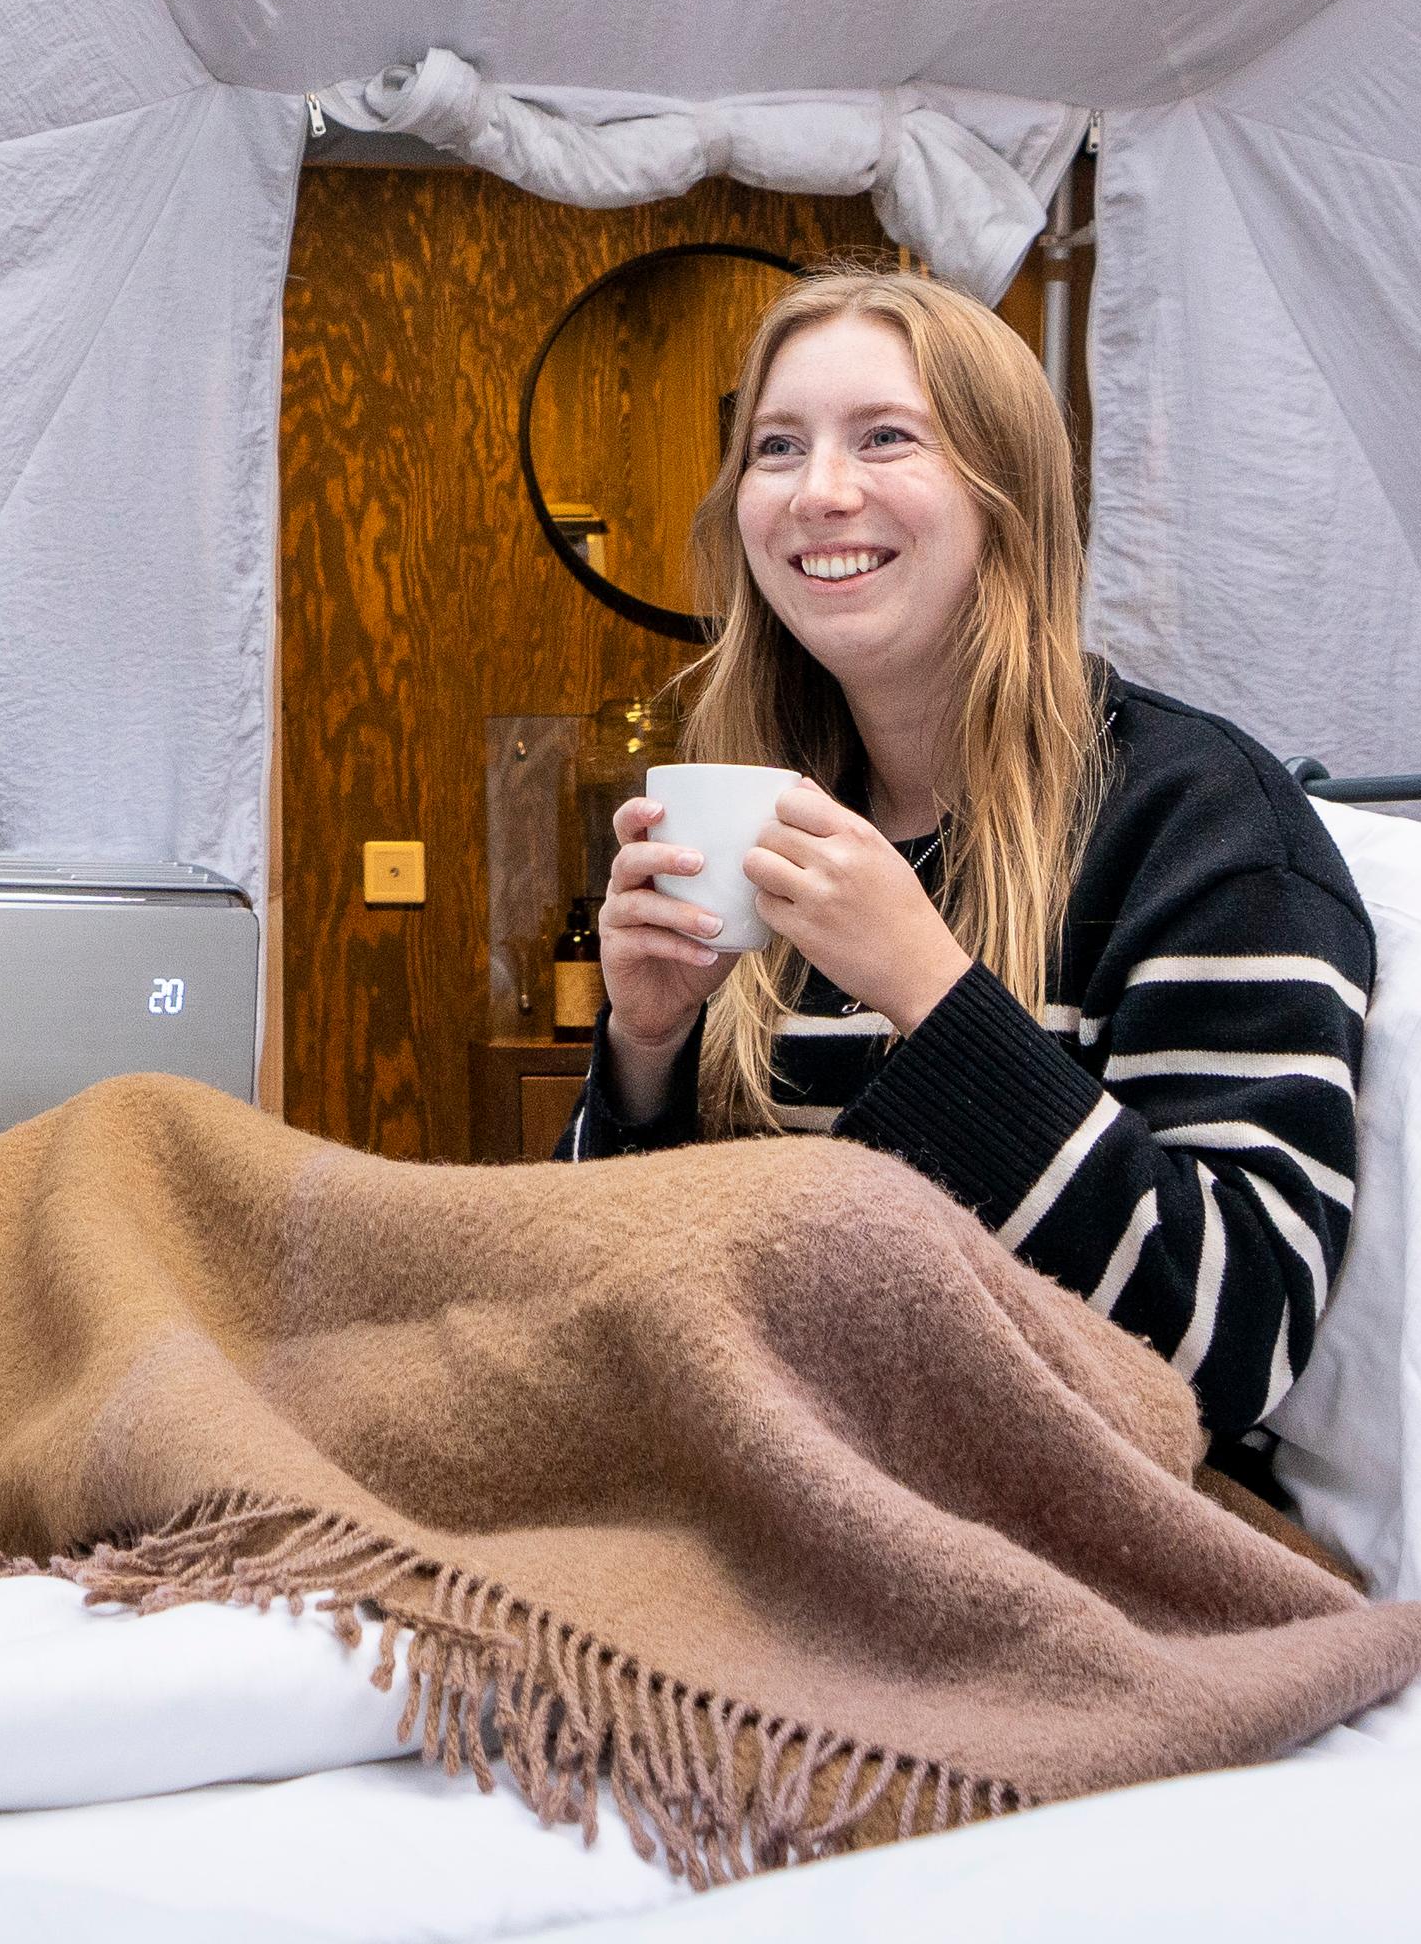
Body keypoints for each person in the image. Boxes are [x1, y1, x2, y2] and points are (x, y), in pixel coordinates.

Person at [568, 264, 1371, 1447]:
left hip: (1044, 1491)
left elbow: (1233, 1343)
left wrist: (930, 993)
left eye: (884, 436)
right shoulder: (768, 814)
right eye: (776, 447)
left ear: (1006, 491)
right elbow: (610, 1308)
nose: (818, 491)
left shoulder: (1201, 827)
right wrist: (644, 1049)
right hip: (749, 1456)